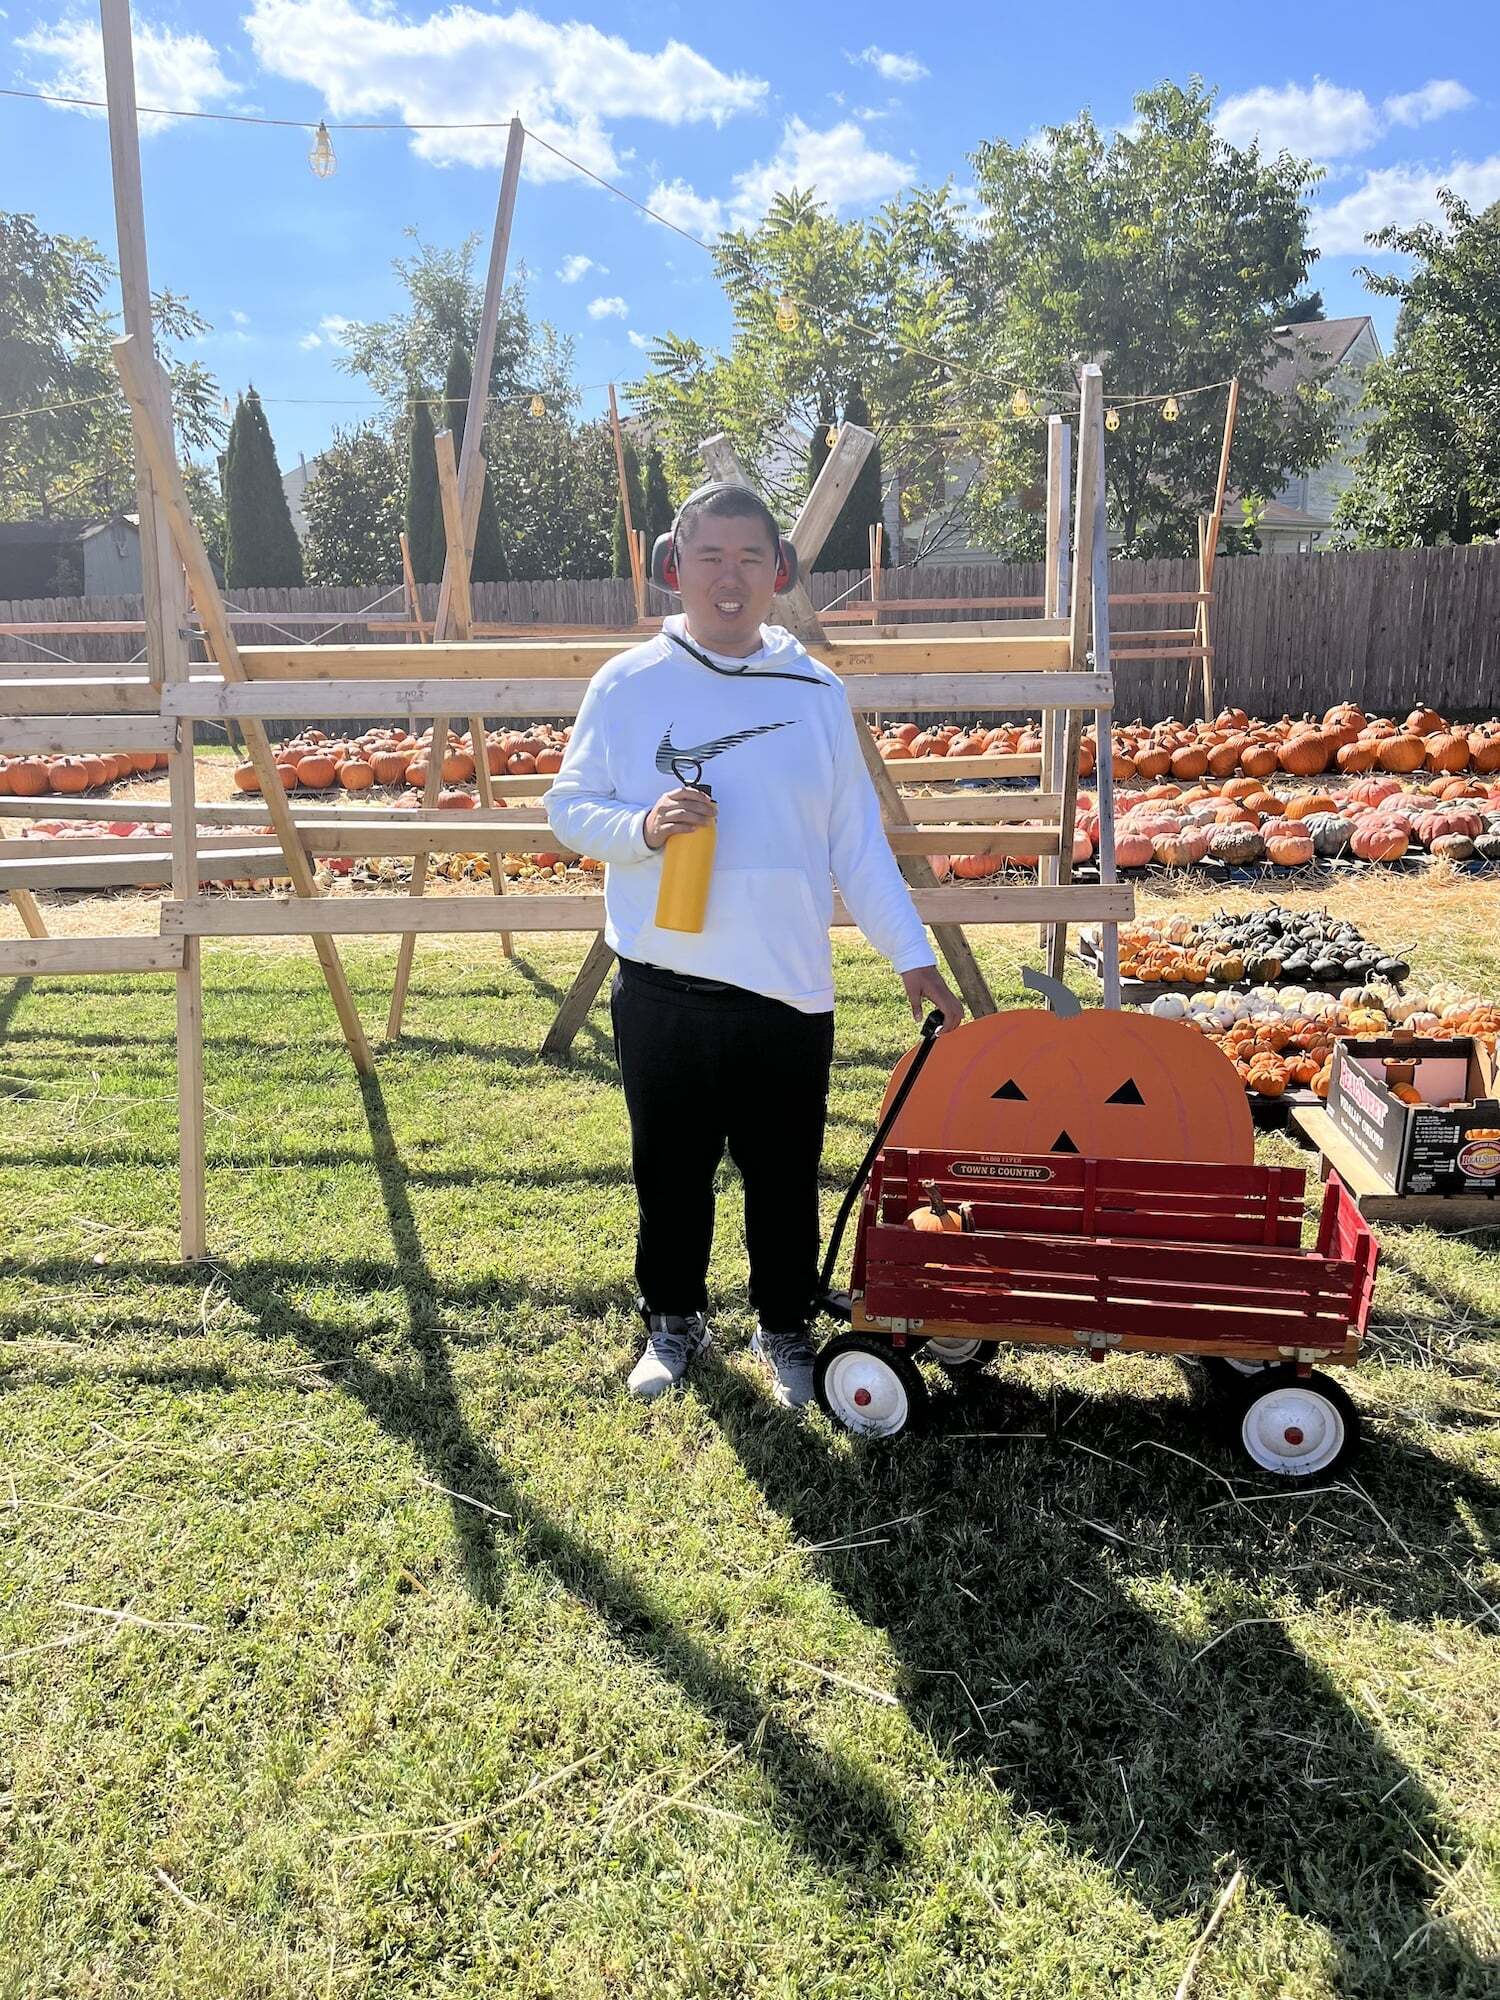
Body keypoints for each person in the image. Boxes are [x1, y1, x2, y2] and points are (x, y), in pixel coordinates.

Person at [546, 481, 963, 1410]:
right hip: (663, 988)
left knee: (784, 1178)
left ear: (778, 571)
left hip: (787, 991)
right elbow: (568, 808)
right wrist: (644, 826)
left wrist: (913, 958)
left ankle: (784, 1328)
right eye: (709, 558)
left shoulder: (815, 691)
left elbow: (856, 841)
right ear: (673, 566)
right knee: (670, 1172)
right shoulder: (626, 683)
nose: (728, 580)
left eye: (748, 559)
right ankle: (673, 1321)